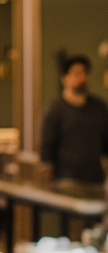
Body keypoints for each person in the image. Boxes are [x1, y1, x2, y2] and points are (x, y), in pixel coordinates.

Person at [40, 55, 108, 186]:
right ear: (65, 78)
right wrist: (48, 183)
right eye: (77, 73)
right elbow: (46, 150)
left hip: (95, 180)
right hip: (67, 180)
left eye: (85, 73)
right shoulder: (55, 110)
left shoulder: (99, 107)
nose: (82, 77)